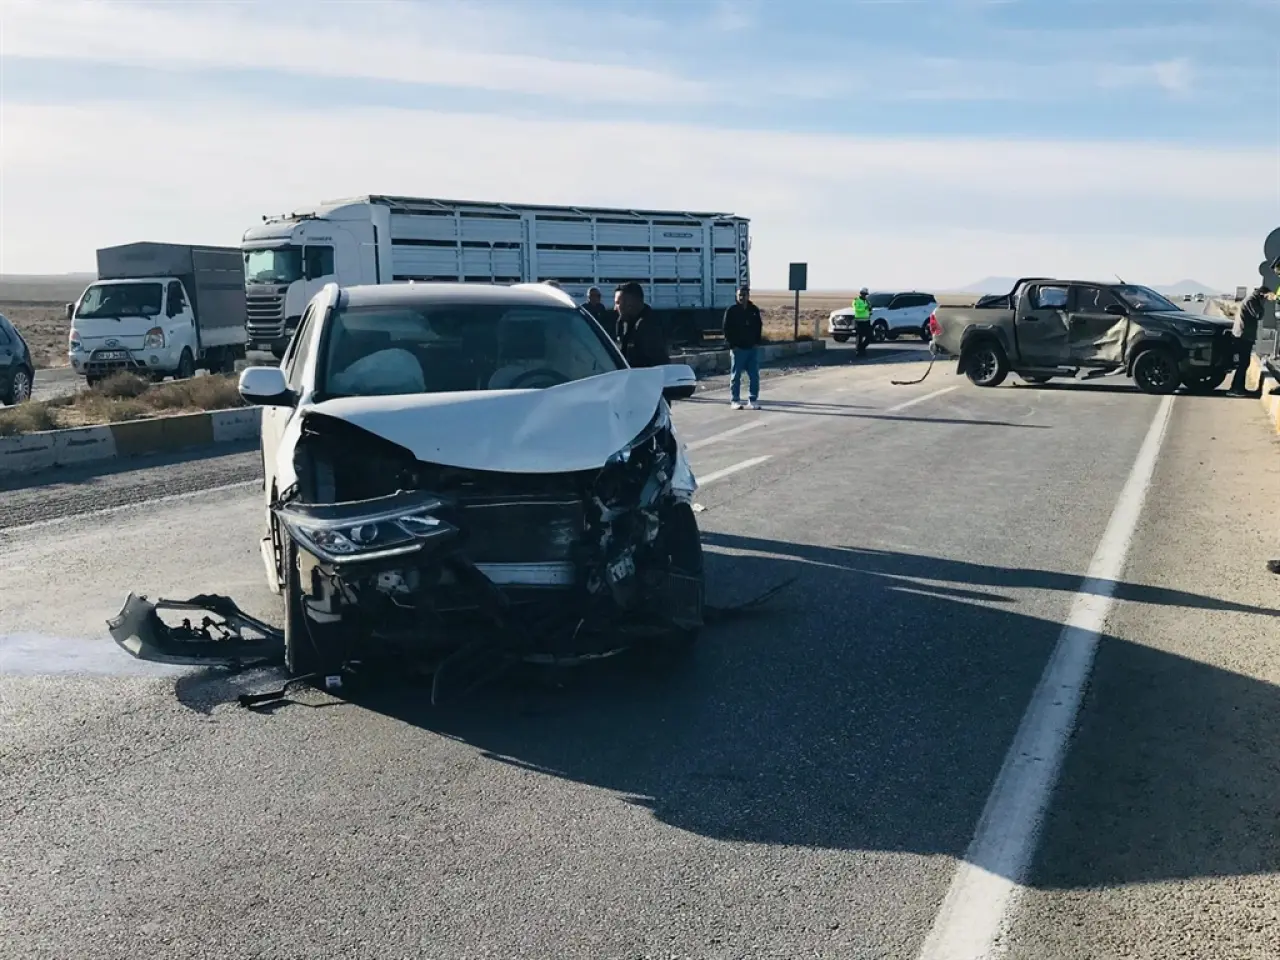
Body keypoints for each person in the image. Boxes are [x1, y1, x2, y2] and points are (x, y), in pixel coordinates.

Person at [722, 285, 763, 410]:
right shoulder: (731, 311)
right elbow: (726, 328)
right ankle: (735, 400)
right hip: (738, 349)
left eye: (744, 295)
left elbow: (759, 326)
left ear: (748, 296)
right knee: (736, 376)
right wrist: (732, 345)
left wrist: (757, 342)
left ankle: (753, 399)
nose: (741, 297)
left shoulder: (754, 310)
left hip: (752, 349)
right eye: (739, 295)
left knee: (754, 376)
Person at [1229, 281, 1272, 396]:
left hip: (1244, 335)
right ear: (1262, 294)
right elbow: (1258, 315)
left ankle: (1239, 387)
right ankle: (1235, 388)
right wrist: (1263, 303)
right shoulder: (1252, 301)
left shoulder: (1252, 299)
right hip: (1242, 336)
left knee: (1244, 363)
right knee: (1243, 363)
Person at [614, 281, 670, 369]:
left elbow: (658, 362)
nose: (615, 308)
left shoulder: (649, 326)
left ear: (630, 304)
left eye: (618, 303)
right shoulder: (623, 322)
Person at [852, 287, 873, 354]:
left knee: (870, 336)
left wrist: (870, 311)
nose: (864, 295)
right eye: (863, 294)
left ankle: (862, 348)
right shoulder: (856, 300)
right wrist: (865, 308)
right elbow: (856, 309)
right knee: (859, 336)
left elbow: (869, 309)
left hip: (866, 321)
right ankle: (858, 351)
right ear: (860, 293)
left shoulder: (867, 301)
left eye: (865, 294)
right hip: (859, 321)